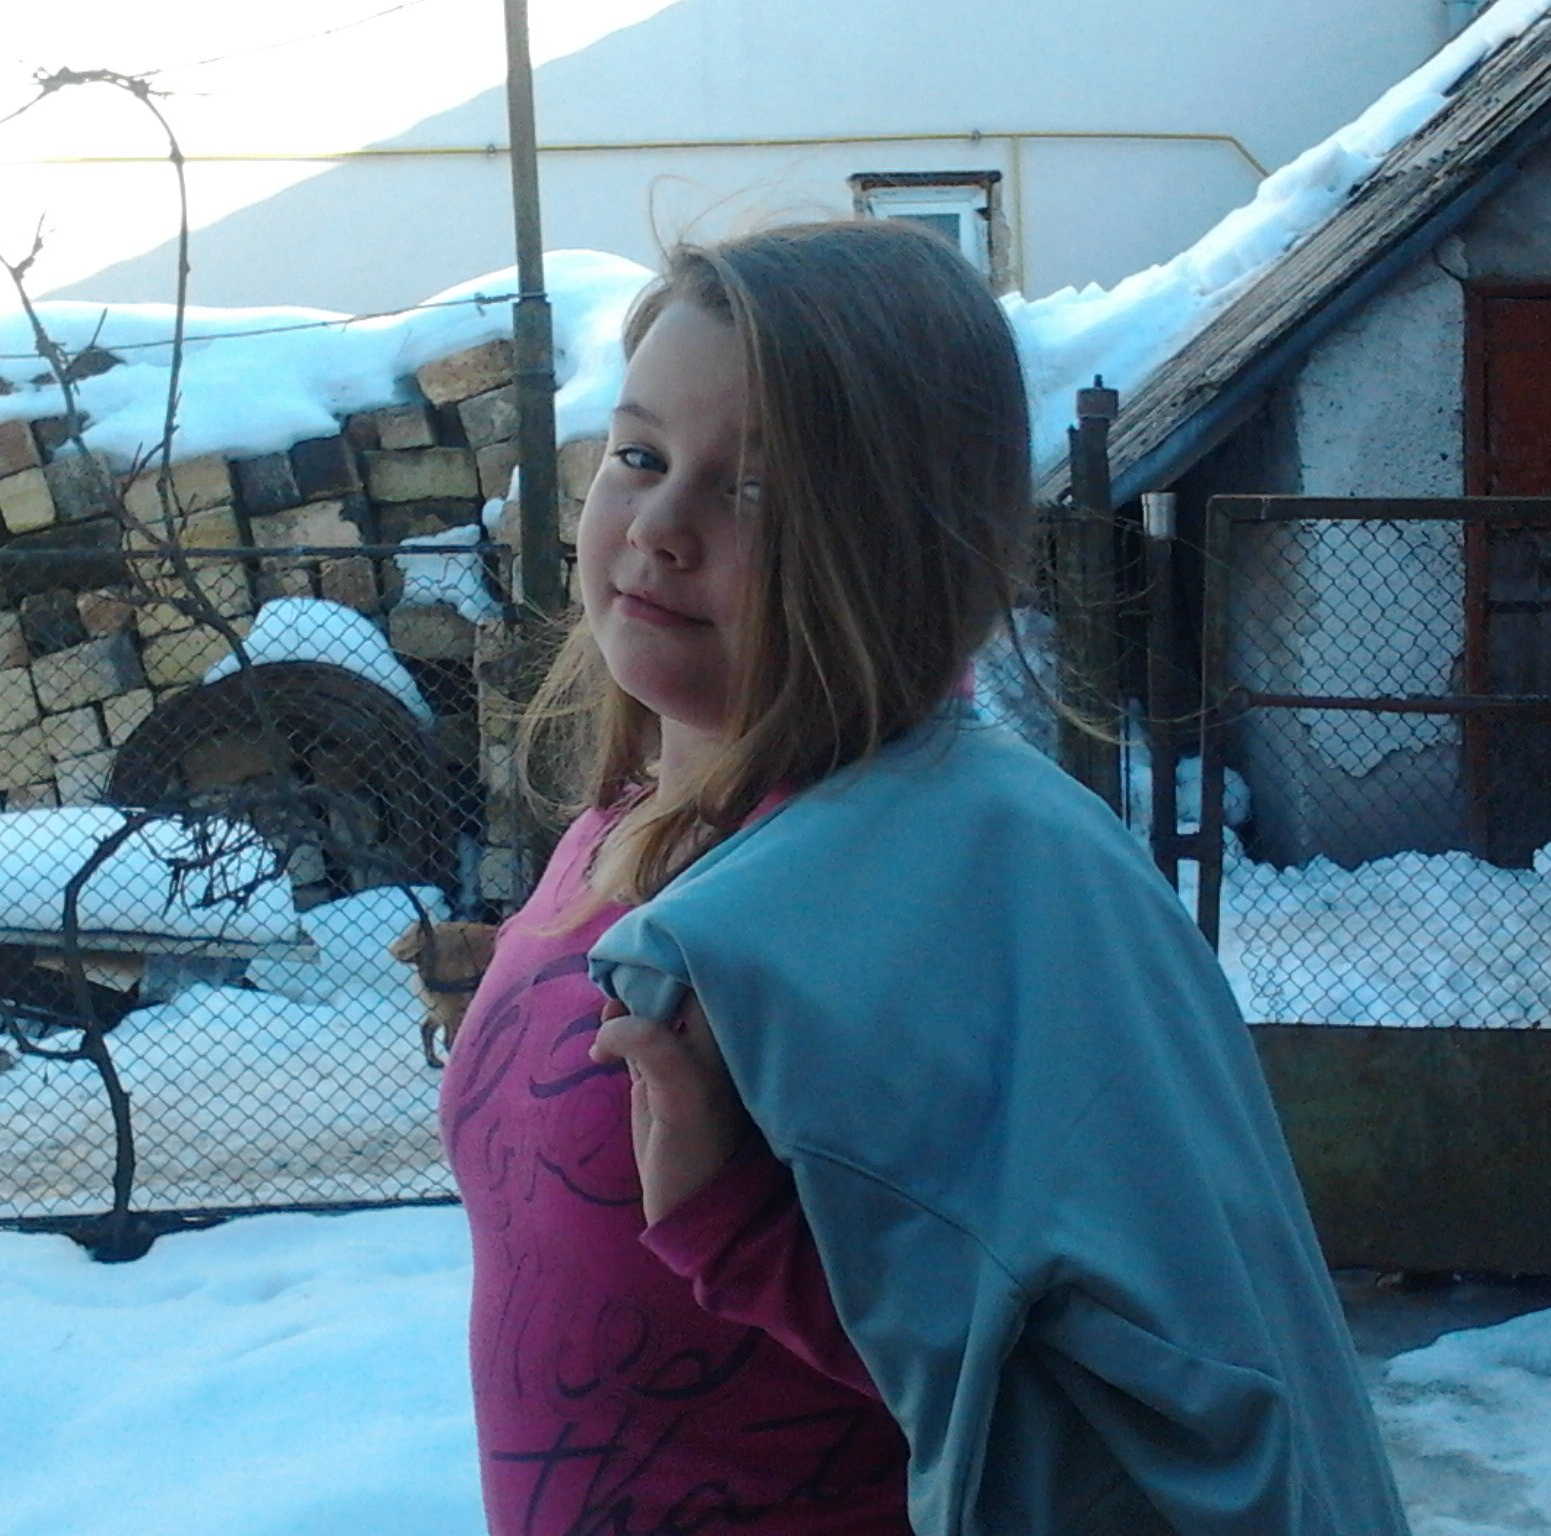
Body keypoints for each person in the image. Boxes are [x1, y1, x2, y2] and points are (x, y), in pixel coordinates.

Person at [440, 220, 1411, 1536]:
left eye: (757, 490)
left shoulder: (984, 884)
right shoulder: (613, 831)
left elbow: (1150, 1430)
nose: (660, 528)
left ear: (901, 541)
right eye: (642, 455)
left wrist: (744, 1233)